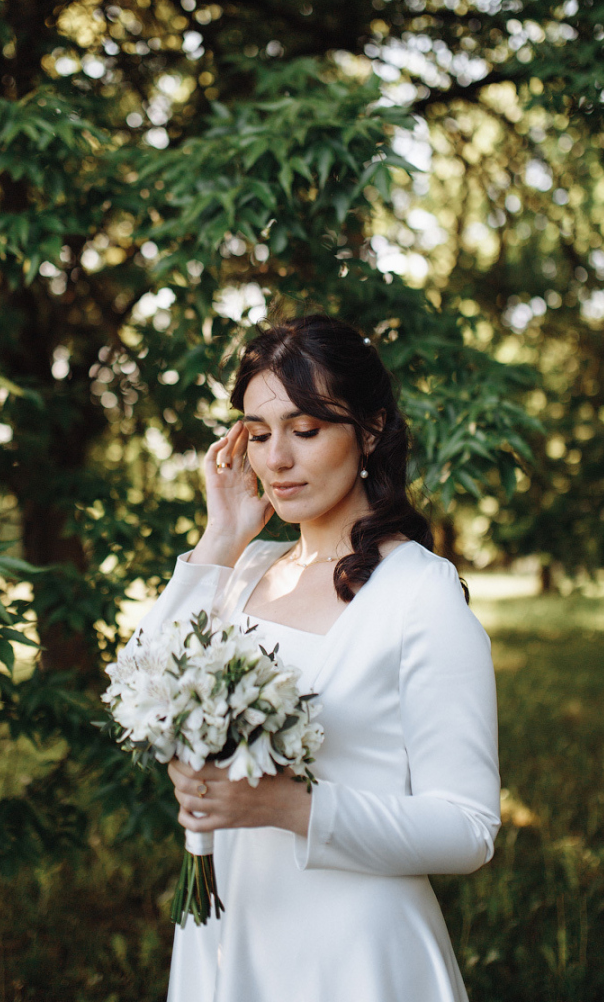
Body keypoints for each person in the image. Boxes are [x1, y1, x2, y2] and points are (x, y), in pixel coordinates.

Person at [134, 314, 500, 1002]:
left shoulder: (420, 594)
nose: (276, 459)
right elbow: (144, 684)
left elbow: (468, 830)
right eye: (259, 433)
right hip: (224, 932)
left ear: (370, 430)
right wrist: (221, 535)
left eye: (305, 431)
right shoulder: (245, 571)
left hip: (351, 954)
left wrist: (289, 806)